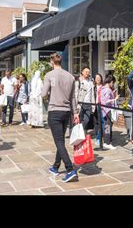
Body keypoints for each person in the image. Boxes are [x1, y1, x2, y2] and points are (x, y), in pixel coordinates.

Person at [42, 53, 79, 183]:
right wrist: (75, 113)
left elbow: (43, 93)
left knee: (58, 141)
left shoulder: (49, 75)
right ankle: (55, 166)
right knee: (61, 140)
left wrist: (48, 95)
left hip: (54, 111)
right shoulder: (70, 76)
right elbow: (73, 97)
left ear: (52, 62)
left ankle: (70, 169)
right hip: (67, 111)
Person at [99, 75, 118, 150]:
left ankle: (107, 141)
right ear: (111, 82)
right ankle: (107, 143)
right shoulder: (107, 90)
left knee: (107, 126)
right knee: (108, 126)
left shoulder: (103, 88)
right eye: (113, 83)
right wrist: (114, 99)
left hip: (104, 110)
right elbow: (105, 101)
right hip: (108, 110)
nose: (113, 84)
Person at [76, 67, 96, 132]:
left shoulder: (91, 82)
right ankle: (80, 135)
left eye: (88, 72)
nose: (87, 73)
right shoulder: (78, 81)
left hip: (89, 104)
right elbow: (76, 94)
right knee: (79, 120)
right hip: (80, 104)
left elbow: (92, 95)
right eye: (86, 71)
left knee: (86, 120)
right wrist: (75, 105)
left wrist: (93, 106)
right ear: (82, 72)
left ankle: (79, 132)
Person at [93, 73, 103, 147]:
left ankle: (99, 138)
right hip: (95, 106)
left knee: (101, 122)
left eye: (99, 78)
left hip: (101, 106)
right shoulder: (93, 87)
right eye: (97, 78)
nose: (98, 79)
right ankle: (97, 136)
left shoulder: (103, 87)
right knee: (96, 122)